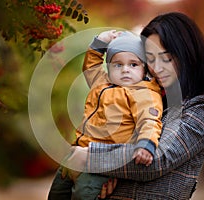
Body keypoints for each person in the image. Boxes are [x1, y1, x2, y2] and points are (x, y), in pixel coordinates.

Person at [57, 12, 204, 199]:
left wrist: (88, 158)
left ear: (188, 54)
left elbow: (158, 159)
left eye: (166, 58)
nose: (157, 68)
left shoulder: (203, 109)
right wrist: (103, 179)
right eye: (150, 59)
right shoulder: (147, 96)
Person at [47, 31, 163, 200]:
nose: (125, 70)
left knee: (83, 195)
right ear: (108, 68)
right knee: (57, 193)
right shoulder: (101, 83)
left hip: (101, 163)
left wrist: (146, 144)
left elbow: (149, 120)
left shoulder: (144, 93)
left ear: (144, 68)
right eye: (117, 64)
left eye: (133, 64)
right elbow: (90, 66)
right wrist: (101, 42)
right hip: (77, 152)